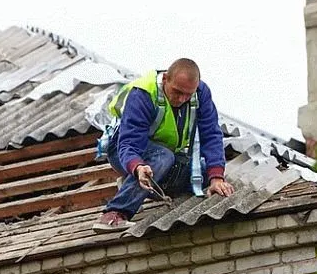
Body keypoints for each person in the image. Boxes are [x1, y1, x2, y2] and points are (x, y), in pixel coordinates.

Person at [92, 58, 235, 232]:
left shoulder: (200, 93)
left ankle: (135, 184)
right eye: (177, 92)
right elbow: (128, 144)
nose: (182, 99)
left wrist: (216, 178)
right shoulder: (143, 94)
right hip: (126, 151)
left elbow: (211, 134)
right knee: (163, 157)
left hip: (165, 157)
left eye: (187, 94)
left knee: (203, 172)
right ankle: (115, 212)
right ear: (166, 78)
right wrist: (137, 166)